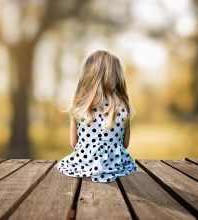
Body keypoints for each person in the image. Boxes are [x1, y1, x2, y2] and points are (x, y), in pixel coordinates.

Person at [56, 50, 137, 183]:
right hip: (118, 167)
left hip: (82, 165)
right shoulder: (124, 107)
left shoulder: (78, 106)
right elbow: (125, 144)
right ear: (117, 77)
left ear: (86, 76)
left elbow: (74, 143)